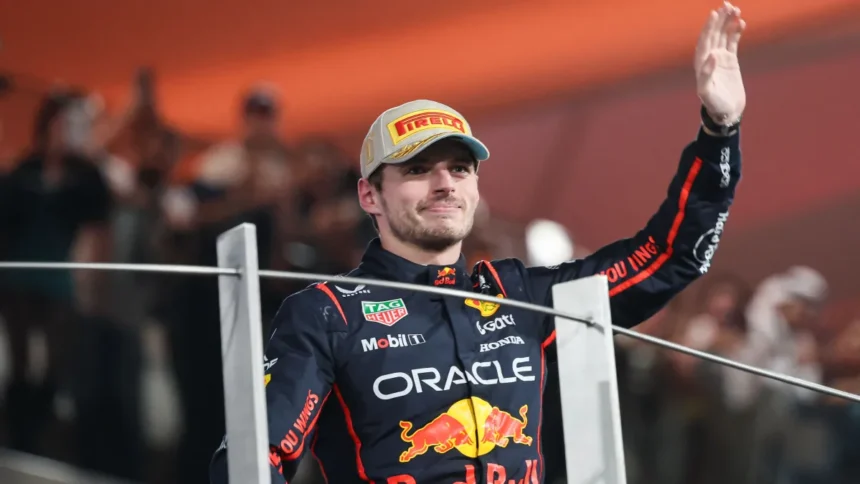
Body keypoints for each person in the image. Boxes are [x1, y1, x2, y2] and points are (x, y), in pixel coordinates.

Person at [210, 3, 747, 483]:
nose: (445, 183)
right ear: (369, 195)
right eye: (418, 169)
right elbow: (254, 458)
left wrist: (719, 131)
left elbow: (669, 256)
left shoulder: (524, 296)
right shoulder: (328, 313)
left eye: (460, 168)